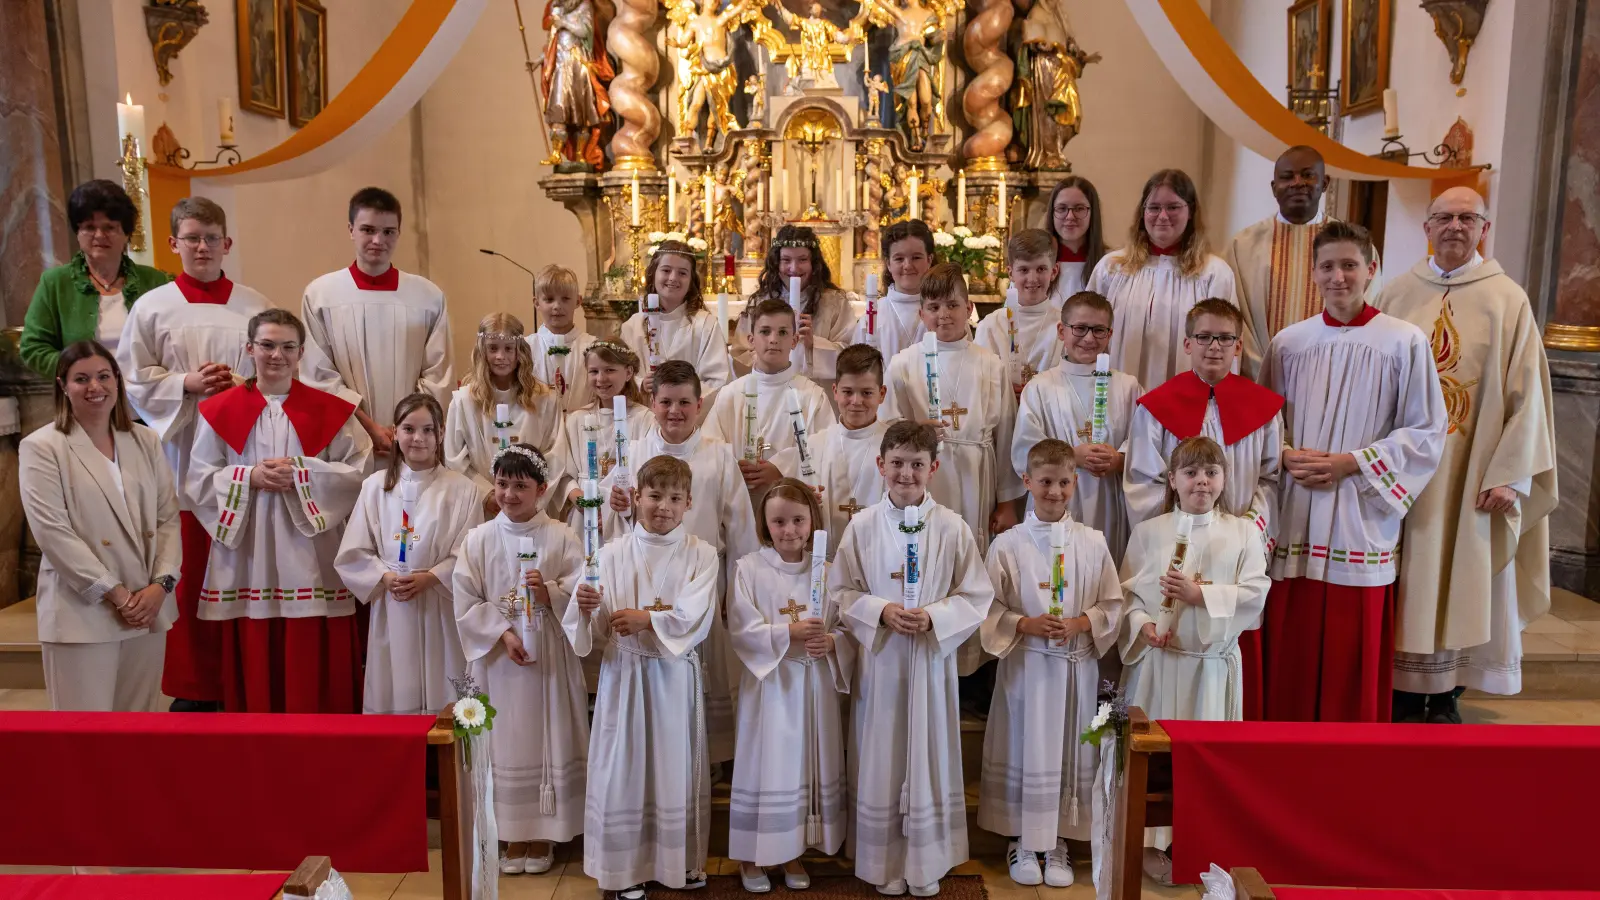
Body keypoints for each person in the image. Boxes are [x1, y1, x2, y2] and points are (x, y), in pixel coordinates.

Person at [1374, 187, 1557, 723]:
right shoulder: (1395, 294)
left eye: (1467, 217)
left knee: (1465, 574)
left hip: (1473, 473)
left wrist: (1511, 476)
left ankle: (1446, 694)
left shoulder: (1507, 299)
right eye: (1444, 217)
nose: (1455, 226)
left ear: (1484, 228)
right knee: (1408, 578)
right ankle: (1402, 693)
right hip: (1404, 475)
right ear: (1426, 228)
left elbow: (1530, 396)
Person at [1261, 222, 1446, 723]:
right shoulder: (1289, 343)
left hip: (1360, 515)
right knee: (1290, 648)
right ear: (1314, 273)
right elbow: (1263, 423)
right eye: (1327, 266)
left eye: (1349, 265)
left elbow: (1427, 430)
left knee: (1352, 650)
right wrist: (1283, 453)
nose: (1338, 276)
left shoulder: (1403, 342)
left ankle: (1352, 756)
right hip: (1297, 511)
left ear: (1371, 269)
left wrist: (1353, 463)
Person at [116, 196, 273, 713]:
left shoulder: (254, 305)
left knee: (241, 564)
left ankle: (242, 674)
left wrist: (244, 386)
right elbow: (132, 377)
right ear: (172, 245)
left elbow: (280, 370)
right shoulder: (153, 307)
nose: (202, 247)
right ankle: (195, 683)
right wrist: (186, 382)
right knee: (190, 565)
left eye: (211, 237)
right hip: (181, 456)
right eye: (192, 238)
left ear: (227, 243)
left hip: (242, 450)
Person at [830, 422, 994, 897]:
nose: (906, 473)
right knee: (882, 752)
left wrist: (935, 617)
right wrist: (880, 610)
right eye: (897, 463)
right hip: (882, 665)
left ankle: (926, 862)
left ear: (934, 468)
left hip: (930, 662)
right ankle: (884, 862)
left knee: (929, 750)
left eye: (917, 464)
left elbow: (976, 593)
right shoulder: (861, 527)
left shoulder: (952, 526)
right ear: (880, 465)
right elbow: (841, 590)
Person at [186, 308, 373, 713]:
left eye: (288, 346)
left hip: (310, 551)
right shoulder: (221, 409)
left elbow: (358, 471)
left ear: (301, 351)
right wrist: (248, 477)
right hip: (250, 553)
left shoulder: (329, 409)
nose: (277, 355)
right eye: (267, 345)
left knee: (313, 644)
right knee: (257, 646)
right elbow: (199, 480)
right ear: (249, 348)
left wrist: (303, 474)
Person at [563, 456, 720, 900]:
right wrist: (586, 603)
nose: (663, 507)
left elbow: (697, 613)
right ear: (636, 498)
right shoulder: (609, 553)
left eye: (674, 498)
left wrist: (646, 619)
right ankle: (624, 869)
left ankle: (680, 862)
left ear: (689, 502)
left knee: (674, 767)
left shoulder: (702, 554)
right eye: (654, 496)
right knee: (624, 767)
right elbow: (586, 624)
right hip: (626, 675)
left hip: (674, 678)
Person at [1117, 436, 1271, 884]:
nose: (1201, 481)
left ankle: (1201, 841)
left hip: (1210, 666)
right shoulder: (1151, 532)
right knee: (1157, 763)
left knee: (1204, 763)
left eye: (1211, 472)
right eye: (1190, 473)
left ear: (1224, 480)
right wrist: (1144, 624)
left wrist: (1198, 594)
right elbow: (1127, 595)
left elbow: (1255, 594)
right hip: (1161, 664)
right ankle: (1151, 845)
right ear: (1172, 480)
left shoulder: (1243, 532)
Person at [1123, 298, 1283, 719]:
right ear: (1188, 343)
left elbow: (1271, 478)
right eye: (1205, 337)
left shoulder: (1264, 409)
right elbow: (1142, 478)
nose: (1215, 347)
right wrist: (1170, 537)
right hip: (1171, 542)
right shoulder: (1157, 406)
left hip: (1233, 544)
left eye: (1225, 338)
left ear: (1238, 345)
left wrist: (1244, 529)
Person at [977, 439, 1121, 888]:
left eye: (1063, 482)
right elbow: (986, 606)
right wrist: (1022, 623)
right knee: (1026, 746)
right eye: (1045, 482)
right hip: (1027, 667)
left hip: (1075, 668)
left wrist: (1081, 621)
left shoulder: (1093, 543)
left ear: (1075, 482)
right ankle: (1023, 837)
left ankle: (1057, 840)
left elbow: (1112, 604)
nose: (1054, 491)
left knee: (1068, 748)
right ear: (1027, 482)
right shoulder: (1007, 544)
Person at [19, 341, 179, 711]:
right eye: (82, 379)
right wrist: (118, 595)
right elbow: (53, 534)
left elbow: (167, 518)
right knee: (84, 739)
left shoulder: (146, 439)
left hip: (147, 607)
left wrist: (161, 586)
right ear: (63, 385)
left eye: (104, 376)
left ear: (118, 380)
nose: (96, 387)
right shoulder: (43, 447)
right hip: (84, 610)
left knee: (136, 733)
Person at [455, 442, 589, 875]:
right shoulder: (478, 539)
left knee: (545, 735)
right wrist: (503, 634)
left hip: (548, 657)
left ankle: (544, 833)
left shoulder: (562, 536)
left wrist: (548, 591)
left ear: (542, 489)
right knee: (504, 742)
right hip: (499, 662)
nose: (509, 494)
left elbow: (581, 591)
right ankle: (511, 834)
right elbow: (466, 598)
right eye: (502, 484)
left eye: (521, 486)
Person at [623, 360, 760, 766]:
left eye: (684, 402)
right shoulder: (633, 452)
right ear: (652, 402)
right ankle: (658, 754)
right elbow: (619, 523)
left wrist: (735, 590)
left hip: (703, 577)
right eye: (665, 402)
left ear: (700, 404)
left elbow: (740, 527)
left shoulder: (718, 455)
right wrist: (617, 508)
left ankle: (706, 756)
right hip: (645, 580)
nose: (675, 411)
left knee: (706, 665)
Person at [726, 478, 850, 892]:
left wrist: (832, 641)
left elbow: (849, 628)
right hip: (770, 687)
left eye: (798, 520)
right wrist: (788, 632)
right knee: (768, 767)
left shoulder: (829, 572)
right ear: (765, 523)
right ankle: (752, 855)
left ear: (813, 520)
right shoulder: (749, 568)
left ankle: (793, 849)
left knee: (801, 767)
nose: (789, 530)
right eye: (779, 522)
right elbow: (742, 629)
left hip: (814, 684)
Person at [335, 393, 483, 715]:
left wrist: (432, 577)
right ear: (395, 432)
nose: (418, 438)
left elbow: (471, 555)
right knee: (395, 692)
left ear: (441, 434)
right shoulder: (375, 487)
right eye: (409, 429)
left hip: (441, 608)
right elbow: (353, 552)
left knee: (446, 689)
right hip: (394, 606)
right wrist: (385, 577)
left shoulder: (463, 490)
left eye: (428, 430)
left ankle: (446, 761)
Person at [301, 186, 454, 462]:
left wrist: (406, 431)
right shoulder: (321, 295)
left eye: (388, 232)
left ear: (398, 232)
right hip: (348, 441)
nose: (377, 240)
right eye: (368, 229)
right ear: (351, 229)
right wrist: (367, 428)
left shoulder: (427, 297)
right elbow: (318, 376)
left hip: (411, 445)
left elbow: (437, 374)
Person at [886, 263, 1023, 557]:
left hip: (976, 473)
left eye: (952, 305)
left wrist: (1007, 502)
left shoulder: (990, 364)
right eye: (933, 307)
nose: (944, 315)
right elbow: (887, 428)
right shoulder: (903, 364)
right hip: (924, 477)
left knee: (971, 551)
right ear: (921, 314)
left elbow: (1007, 434)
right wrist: (915, 430)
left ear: (969, 308)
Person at [1223, 146, 1380, 377]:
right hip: (1258, 376)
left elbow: (1367, 306)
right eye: (1287, 177)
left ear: (1324, 183)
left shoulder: (1353, 247)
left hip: (1333, 371)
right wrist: (1261, 367)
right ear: (1274, 188)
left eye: (1307, 175)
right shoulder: (1242, 245)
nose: (1297, 183)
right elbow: (1231, 314)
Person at [1012, 291, 1142, 561]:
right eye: (1080, 328)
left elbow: (1146, 442)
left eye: (1099, 330)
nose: (1089, 338)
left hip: (1110, 498)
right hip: (1056, 498)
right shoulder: (1041, 387)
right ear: (1062, 330)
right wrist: (1072, 455)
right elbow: (1024, 450)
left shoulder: (1128, 387)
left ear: (1110, 334)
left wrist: (1120, 459)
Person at [1087, 169, 1237, 391]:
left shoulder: (1213, 274)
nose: (1163, 216)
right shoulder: (1112, 269)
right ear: (1142, 213)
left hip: (1188, 402)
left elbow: (1226, 349)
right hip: (1116, 399)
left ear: (1191, 211)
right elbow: (1087, 335)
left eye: (1173, 207)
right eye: (1154, 207)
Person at [21, 180, 171, 376]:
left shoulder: (157, 282)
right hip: (86, 400)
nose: (99, 235)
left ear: (126, 234)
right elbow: (33, 348)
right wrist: (80, 373)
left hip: (147, 399)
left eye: (110, 227)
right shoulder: (55, 283)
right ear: (78, 233)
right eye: (89, 227)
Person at [705, 298, 837, 498]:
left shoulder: (812, 397)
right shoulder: (730, 395)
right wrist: (734, 468)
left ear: (794, 341)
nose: (773, 339)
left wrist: (781, 471)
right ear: (751, 340)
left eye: (783, 332)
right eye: (765, 331)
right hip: (740, 505)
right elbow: (709, 450)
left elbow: (827, 456)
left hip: (790, 508)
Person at [771, 343, 894, 555]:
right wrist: (806, 499)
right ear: (835, 391)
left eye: (866, 393)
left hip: (879, 556)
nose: (856, 401)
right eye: (848, 392)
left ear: (882, 394)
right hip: (826, 558)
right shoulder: (814, 445)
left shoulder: (894, 445)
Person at [445, 313, 564, 511]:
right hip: (482, 507)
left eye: (509, 348)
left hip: (533, 508)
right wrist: (487, 495)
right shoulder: (464, 401)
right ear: (482, 351)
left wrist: (532, 500)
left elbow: (556, 454)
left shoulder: (545, 399)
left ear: (521, 351)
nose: (501, 357)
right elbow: (454, 459)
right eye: (493, 348)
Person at [736, 225, 859, 383]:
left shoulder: (834, 303)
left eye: (802, 260)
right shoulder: (760, 302)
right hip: (769, 390)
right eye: (786, 260)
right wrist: (769, 351)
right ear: (776, 263)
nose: (794, 268)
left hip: (818, 393)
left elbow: (851, 355)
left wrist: (813, 344)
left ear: (813, 264)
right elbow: (740, 354)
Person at [622, 241, 732, 403]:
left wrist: (681, 399)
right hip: (644, 418)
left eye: (682, 273)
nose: (673, 278)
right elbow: (622, 376)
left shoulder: (705, 325)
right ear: (653, 274)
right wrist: (641, 384)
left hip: (688, 419)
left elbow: (718, 381)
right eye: (666, 270)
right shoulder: (633, 326)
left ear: (691, 280)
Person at [976, 229, 1065, 394]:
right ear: (1010, 273)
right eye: (1024, 270)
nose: (1032, 279)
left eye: (1041, 269)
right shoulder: (990, 326)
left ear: (1054, 271)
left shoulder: (1065, 325)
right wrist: (1005, 393)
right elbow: (978, 382)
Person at [859, 220, 935, 361]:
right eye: (899, 259)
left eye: (916, 257)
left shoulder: (946, 310)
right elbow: (856, 367)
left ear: (929, 260)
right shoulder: (873, 314)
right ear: (888, 264)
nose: (907, 265)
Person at [527, 264, 598, 413]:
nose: (557, 306)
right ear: (536, 303)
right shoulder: (526, 347)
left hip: (581, 428)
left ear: (578, 301)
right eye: (549, 299)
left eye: (565, 299)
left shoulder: (592, 346)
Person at [1043, 175, 1108, 305]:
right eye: (1062, 209)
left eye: (1079, 208)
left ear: (1092, 213)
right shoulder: (1036, 264)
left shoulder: (1109, 264)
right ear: (1052, 213)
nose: (1070, 216)